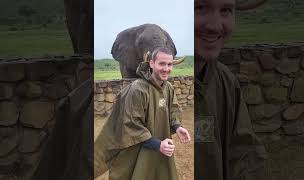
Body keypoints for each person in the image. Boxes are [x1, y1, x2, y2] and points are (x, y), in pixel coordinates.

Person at [194, 0, 267, 179]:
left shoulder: (224, 80)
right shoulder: (149, 89)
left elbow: (243, 155)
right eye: (199, 8)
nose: (215, 26)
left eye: (225, 10)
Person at [94, 47, 191, 180]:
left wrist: (178, 127)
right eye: (162, 63)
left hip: (161, 147)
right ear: (151, 63)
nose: (166, 68)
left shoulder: (168, 88)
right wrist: (158, 144)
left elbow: (172, 110)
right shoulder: (138, 89)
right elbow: (132, 124)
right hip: (138, 151)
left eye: (169, 64)